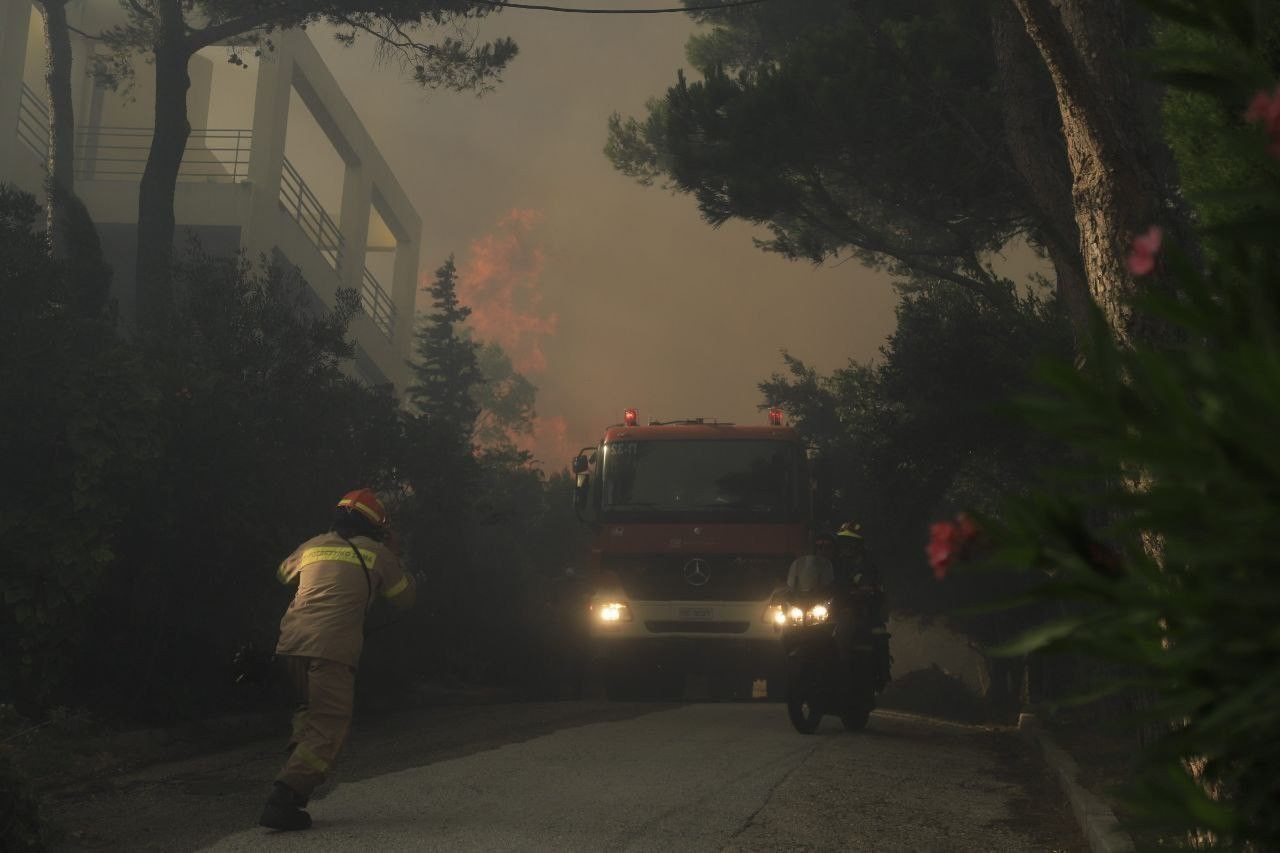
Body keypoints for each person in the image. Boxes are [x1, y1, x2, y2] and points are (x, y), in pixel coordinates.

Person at [259, 488, 416, 832]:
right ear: (377, 526)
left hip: (289, 645)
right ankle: (283, 798)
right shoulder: (378, 553)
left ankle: (294, 783)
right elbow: (404, 597)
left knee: (308, 714)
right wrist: (395, 554)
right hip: (330, 650)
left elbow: (282, 574)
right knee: (330, 726)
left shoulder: (312, 545)